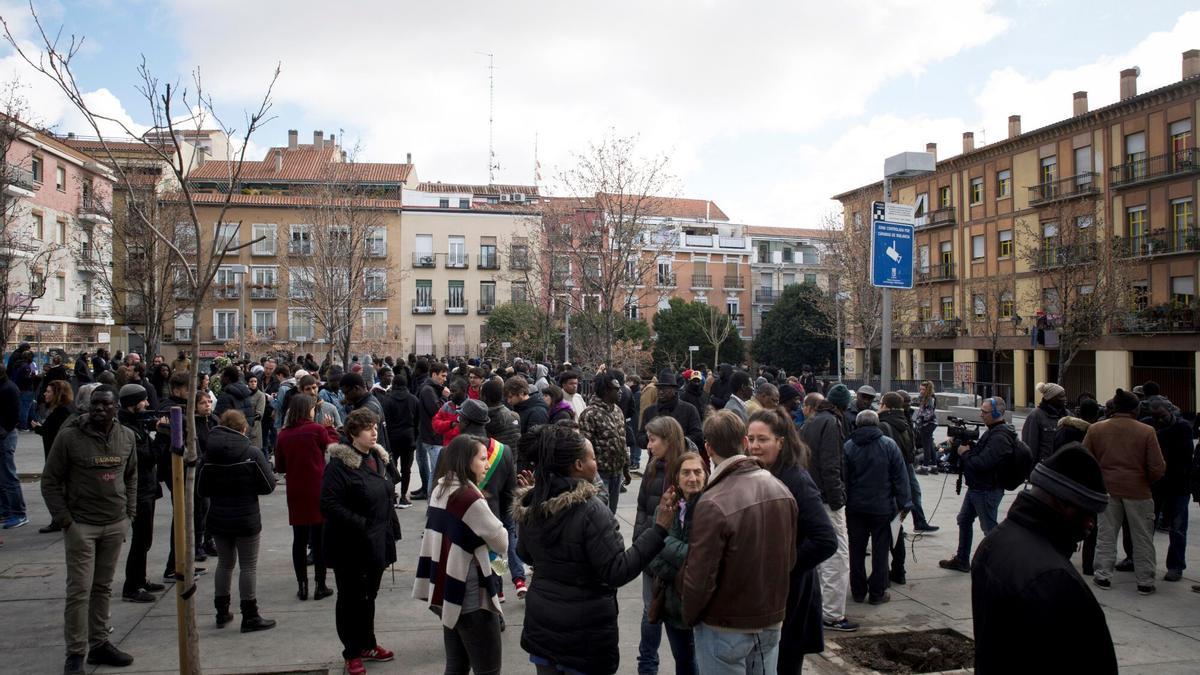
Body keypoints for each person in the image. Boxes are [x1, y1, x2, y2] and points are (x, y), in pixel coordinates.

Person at [513, 424, 676, 675]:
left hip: (543, 627)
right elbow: (617, 571)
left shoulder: (535, 501)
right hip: (584, 634)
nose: (596, 463)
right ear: (578, 465)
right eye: (592, 458)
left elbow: (523, 552)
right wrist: (659, 530)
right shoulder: (591, 510)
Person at [971, 444, 1116, 673]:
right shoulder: (1054, 578)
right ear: (1063, 502)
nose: (1091, 523)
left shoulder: (996, 541)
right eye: (1086, 511)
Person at [681, 410, 797, 674]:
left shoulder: (712, 502)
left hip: (726, 626)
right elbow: (788, 559)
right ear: (745, 442)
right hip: (769, 619)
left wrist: (690, 614)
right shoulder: (780, 489)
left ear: (707, 449)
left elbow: (700, 576)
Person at [41, 387, 138, 674]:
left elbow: (131, 476)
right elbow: (50, 481)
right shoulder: (70, 437)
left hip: (114, 522)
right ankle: (75, 653)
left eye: (106, 404)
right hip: (82, 525)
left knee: (103, 587)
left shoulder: (127, 437)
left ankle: (99, 644)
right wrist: (65, 520)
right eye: (95, 404)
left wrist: (129, 514)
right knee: (79, 591)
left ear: (115, 408)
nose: (99, 409)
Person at [746, 409, 837, 675]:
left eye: (762, 439)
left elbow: (825, 539)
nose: (754, 446)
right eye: (750, 439)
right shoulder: (761, 473)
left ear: (781, 442)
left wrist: (783, 568)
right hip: (770, 596)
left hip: (793, 597)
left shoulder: (796, 479)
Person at [414, 434, 510, 675]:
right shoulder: (468, 497)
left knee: (456, 665)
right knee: (488, 669)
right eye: (481, 459)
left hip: (448, 589)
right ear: (466, 462)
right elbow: (501, 541)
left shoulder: (440, 488)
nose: (487, 464)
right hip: (471, 596)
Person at [321, 409, 399, 675]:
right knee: (350, 598)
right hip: (350, 544)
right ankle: (351, 651)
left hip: (378, 540)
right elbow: (329, 504)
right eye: (367, 428)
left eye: (375, 426)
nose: (374, 432)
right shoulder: (339, 465)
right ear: (354, 434)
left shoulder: (378, 456)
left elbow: (389, 488)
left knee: (369, 596)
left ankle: (368, 643)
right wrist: (362, 524)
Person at [198, 410, 277, 632]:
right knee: (248, 566)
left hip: (219, 516)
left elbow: (201, 489)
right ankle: (250, 614)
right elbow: (268, 485)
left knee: (225, 563)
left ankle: (222, 611)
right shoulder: (251, 452)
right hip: (246, 516)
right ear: (243, 428)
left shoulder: (209, 454)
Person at [1084, 388, 1165, 594]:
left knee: (1106, 535)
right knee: (1142, 537)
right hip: (1138, 490)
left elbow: (1085, 460)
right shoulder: (1146, 431)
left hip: (1107, 489)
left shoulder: (1096, 429)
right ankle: (1145, 580)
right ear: (1135, 409)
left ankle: (1102, 576)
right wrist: (1144, 481)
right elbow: (1157, 467)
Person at [800, 384, 857, 632]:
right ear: (843, 406)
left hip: (811, 495)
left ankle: (820, 608)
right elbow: (831, 464)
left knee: (820, 557)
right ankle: (833, 614)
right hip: (826, 498)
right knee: (838, 556)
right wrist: (838, 499)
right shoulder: (832, 423)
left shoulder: (812, 421)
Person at [646, 452, 707, 675]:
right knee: (683, 662)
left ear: (706, 475)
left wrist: (666, 544)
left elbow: (703, 558)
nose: (692, 478)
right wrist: (682, 567)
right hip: (672, 605)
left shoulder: (712, 508)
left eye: (697, 472)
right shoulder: (665, 508)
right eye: (686, 472)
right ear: (677, 477)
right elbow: (652, 555)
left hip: (703, 605)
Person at [635, 416, 688, 674]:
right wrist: (641, 543)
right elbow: (642, 509)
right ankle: (647, 666)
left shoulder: (689, 469)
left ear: (668, 440)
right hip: (651, 552)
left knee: (679, 620)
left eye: (653, 439)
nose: (649, 445)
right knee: (650, 611)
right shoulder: (653, 466)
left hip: (677, 557)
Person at [939, 397, 1016, 573]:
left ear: (997, 413)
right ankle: (962, 559)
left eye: (984, 412)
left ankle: (1003, 567)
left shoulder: (1000, 436)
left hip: (987, 489)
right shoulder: (993, 432)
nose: (981, 415)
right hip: (977, 487)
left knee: (990, 529)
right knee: (964, 520)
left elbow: (983, 463)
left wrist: (965, 454)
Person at [276, 393, 339, 601]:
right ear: (307, 410)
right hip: (317, 488)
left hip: (295, 490)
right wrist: (329, 428)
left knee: (299, 540)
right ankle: (320, 585)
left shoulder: (283, 435)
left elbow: (280, 466)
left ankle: (302, 586)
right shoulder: (316, 429)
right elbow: (333, 446)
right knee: (319, 540)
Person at [843, 410, 910, 604]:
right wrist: (905, 503)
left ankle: (857, 590)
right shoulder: (889, 445)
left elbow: (844, 478)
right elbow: (900, 477)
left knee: (856, 550)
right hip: (882, 506)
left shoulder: (849, 446)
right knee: (881, 552)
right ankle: (877, 592)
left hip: (856, 507)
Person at [116, 384, 164, 602]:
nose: (147, 404)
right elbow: (148, 457)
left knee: (145, 539)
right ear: (133, 404)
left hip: (146, 487)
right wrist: (162, 436)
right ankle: (131, 586)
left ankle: (140, 578)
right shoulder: (128, 430)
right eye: (143, 401)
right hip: (139, 490)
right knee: (141, 539)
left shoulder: (135, 424)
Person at [877, 392, 937, 555]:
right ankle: (900, 530)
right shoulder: (898, 420)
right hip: (901, 467)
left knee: (905, 500)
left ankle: (906, 526)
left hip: (900, 467)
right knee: (904, 501)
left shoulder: (889, 422)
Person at [1148, 400, 1194, 582]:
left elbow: (1184, 453)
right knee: (1147, 526)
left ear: (1170, 411)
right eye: (1156, 417)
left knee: (1178, 528)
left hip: (1178, 484)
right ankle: (1143, 562)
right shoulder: (1150, 425)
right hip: (1157, 484)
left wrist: (1154, 434)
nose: (1159, 420)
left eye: (1162, 416)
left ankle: (1175, 566)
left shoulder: (1182, 427)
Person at [580, 370, 632, 511]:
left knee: (612, 513)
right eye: (616, 389)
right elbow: (585, 448)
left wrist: (626, 468)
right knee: (601, 513)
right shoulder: (589, 414)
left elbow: (623, 441)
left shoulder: (618, 411)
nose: (620, 391)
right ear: (605, 391)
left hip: (617, 472)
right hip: (600, 474)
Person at [33, 380, 74, 533]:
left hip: (57, 455)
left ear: (57, 394)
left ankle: (59, 519)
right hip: (54, 453)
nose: (45, 394)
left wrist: (39, 429)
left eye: (49, 391)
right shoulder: (57, 410)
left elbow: (54, 433)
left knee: (54, 487)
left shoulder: (61, 412)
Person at [638, 369, 704, 460]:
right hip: (655, 464)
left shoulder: (689, 410)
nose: (660, 392)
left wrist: (676, 442)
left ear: (674, 390)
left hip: (681, 461)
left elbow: (698, 437)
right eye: (659, 388)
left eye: (665, 389)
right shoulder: (649, 411)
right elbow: (640, 439)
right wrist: (652, 439)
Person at [380, 372, 420, 508]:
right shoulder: (413, 399)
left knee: (391, 466)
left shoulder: (387, 400)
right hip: (408, 437)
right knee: (406, 468)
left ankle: (392, 496)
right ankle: (403, 496)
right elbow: (417, 421)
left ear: (394, 384)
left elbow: (384, 420)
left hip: (392, 437)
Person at [414, 363, 449, 500]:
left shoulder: (432, 389)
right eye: (442, 376)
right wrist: (445, 397)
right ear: (434, 374)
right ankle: (432, 504)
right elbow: (437, 411)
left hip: (433, 436)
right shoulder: (428, 390)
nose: (444, 379)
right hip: (432, 437)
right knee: (437, 473)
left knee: (437, 471)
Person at [0, 364, 25, 529]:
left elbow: (14, 415)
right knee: (4, 476)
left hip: (5, 436)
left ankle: (18, 513)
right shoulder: (6, 387)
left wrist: (3, 430)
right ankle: (7, 511)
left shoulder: (8, 388)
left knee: (8, 476)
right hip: (4, 434)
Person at [1024, 382, 1067, 463]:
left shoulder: (1068, 415)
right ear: (1051, 398)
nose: (1065, 399)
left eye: (1064, 395)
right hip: (1045, 468)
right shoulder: (1035, 416)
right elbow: (1030, 446)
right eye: (1061, 396)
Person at [481, 378, 520, 447]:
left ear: (484, 397)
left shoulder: (484, 419)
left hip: (494, 456)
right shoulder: (514, 416)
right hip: (513, 456)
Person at [913, 381, 938, 472]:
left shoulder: (930, 399)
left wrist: (919, 420)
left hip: (927, 424)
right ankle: (934, 466)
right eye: (920, 389)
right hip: (930, 424)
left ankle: (925, 467)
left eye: (923, 389)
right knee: (930, 445)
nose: (921, 391)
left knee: (926, 446)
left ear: (927, 390)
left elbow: (928, 414)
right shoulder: (927, 398)